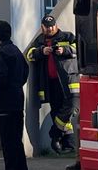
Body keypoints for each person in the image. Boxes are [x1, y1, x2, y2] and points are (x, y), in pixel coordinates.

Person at [0, 20, 32, 170]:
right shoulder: (15, 51)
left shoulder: (1, 54)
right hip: (16, 100)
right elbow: (25, 72)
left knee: (9, 144)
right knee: (16, 142)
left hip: (6, 103)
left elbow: (0, 79)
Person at [26, 15, 79, 156]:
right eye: (47, 26)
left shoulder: (67, 36)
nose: (50, 29)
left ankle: (55, 134)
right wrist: (41, 51)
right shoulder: (39, 41)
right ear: (42, 27)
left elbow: (78, 49)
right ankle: (69, 142)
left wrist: (64, 50)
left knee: (71, 107)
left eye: (52, 26)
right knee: (57, 110)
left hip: (69, 81)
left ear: (56, 25)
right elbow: (29, 55)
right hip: (50, 83)